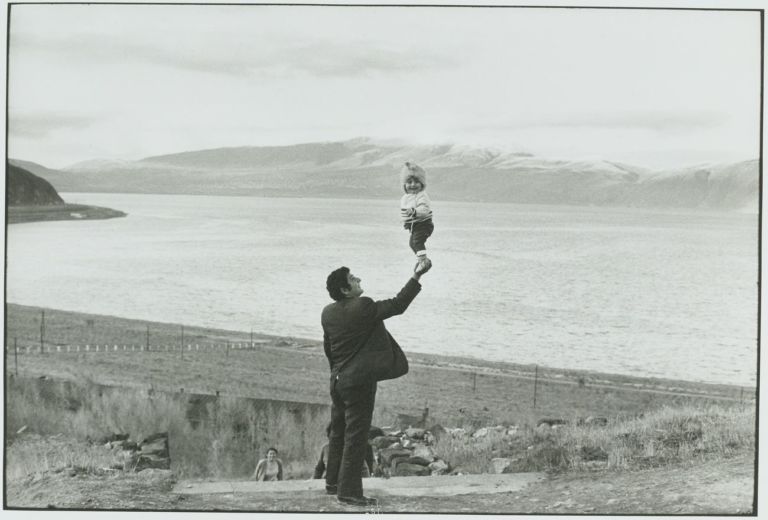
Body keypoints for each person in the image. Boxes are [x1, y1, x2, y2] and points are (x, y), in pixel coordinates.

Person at [322, 261, 431, 507]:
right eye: (352, 278)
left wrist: (336, 375)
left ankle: (332, 484)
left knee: (338, 432)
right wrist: (416, 275)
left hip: (338, 382)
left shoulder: (327, 312)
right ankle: (349, 492)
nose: (358, 278)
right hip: (359, 384)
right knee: (356, 436)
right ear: (345, 290)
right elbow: (398, 304)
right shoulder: (363, 306)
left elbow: (329, 349)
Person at [399, 161, 434, 271]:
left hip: (424, 224)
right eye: (409, 182)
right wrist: (406, 222)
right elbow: (405, 212)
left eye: (416, 182)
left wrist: (414, 212)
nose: (413, 185)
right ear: (404, 185)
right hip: (415, 226)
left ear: (422, 184)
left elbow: (424, 209)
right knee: (412, 244)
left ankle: (423, 260)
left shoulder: (422, 196)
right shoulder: (406, 197)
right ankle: (421, 259)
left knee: (417, 242)